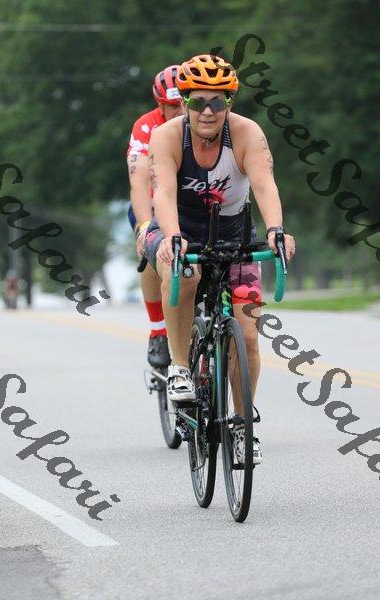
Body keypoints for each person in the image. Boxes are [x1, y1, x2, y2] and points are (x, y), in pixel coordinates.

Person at [144, 54, 296, 464]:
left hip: (234, 232)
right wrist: (172, 236)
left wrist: (275, 230)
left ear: (230, 102)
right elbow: (163, 194)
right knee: (185, 272)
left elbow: (264, 185)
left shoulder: (247, 134)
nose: (207, 112)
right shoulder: (168, 137)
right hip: (179, 228)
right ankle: (180, 367)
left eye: (217, 102)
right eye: (198, 102)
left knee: (247, 335)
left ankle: (244, 427)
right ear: (185, 102)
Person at [126, 65, 184, 368]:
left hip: (189, 202)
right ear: (160, 105)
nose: (179, 111)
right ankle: (158, 330)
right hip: (151, 202)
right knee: (151, 252)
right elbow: (138, 181)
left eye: (183, 102)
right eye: (171, 106)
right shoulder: (146, 126)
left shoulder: (204, 121)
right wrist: (145, 225)